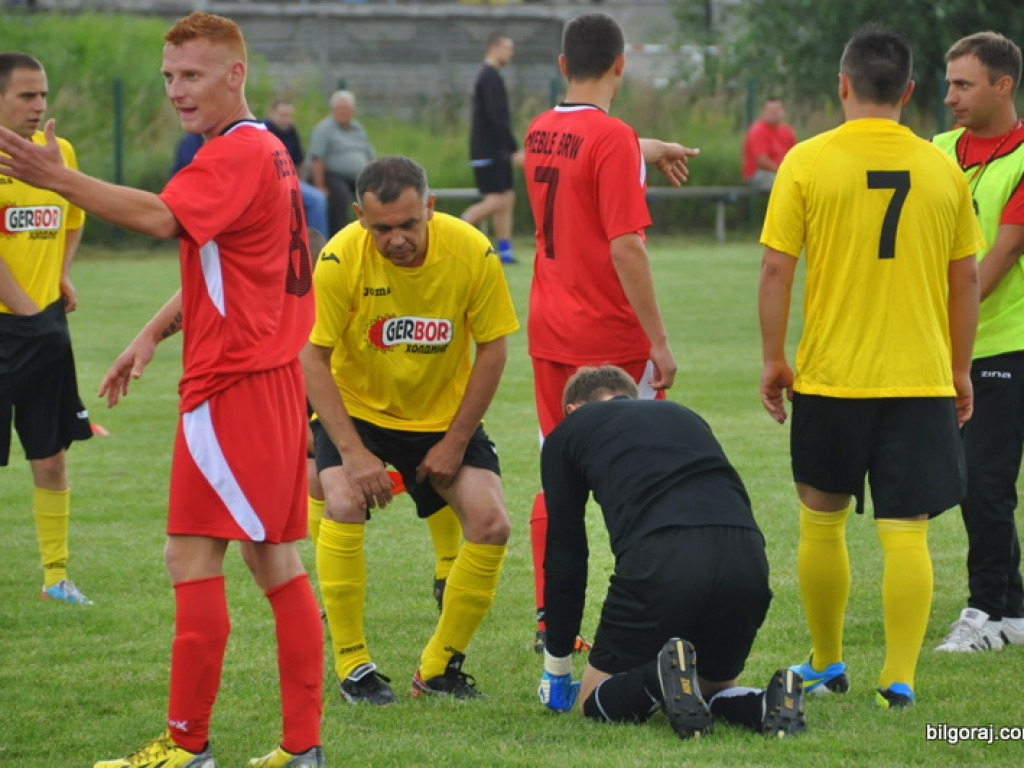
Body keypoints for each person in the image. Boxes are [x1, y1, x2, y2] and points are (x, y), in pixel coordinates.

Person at [0, 12, 326, 767]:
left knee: (193, 559)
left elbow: (159, 217)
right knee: (272, 562)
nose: (177, 90)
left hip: (233, 387)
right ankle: (301, 748)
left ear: (236, 75)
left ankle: (187, 747)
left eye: (193, 75)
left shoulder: (233, 153)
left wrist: (58, 177)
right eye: (169, 77)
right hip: (269, 381)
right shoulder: (267, 149)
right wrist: (150, 334)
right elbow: (224, 265)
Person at [758, 23, 983, 709]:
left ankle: (827, 663)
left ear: (843, 85)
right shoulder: (943, 167)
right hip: (919, 376)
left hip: (833, 375)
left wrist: (773, 358)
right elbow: (967, 279)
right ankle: (898, 678)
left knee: (822, 522)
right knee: (907, 531)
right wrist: (960, 370)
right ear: (910, 91)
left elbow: (776, 269)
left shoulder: (806, 161)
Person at [301, 154, 518, 704]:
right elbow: (312, 359)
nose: (397, 239)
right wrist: (353, 453)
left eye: (408, 224)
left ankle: (439, 668)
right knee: (342, 501)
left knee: (492, 523)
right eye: (382, 229)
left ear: (431, 207)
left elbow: (493, 350)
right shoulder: (339, 258)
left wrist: (455, 440)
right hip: (360, 414)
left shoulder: (472, 250)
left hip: (443, 419)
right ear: (360, 216)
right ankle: (353, 665)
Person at [523, 11, 698, 654]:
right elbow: (627, 245)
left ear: (563, 65)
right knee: (643, 476)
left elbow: (589, 149)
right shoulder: (613, 137)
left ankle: (551, 616)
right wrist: (659, 341)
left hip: (550, 330)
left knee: (557, 472)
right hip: (610, 338)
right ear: (621, 64)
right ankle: (647, 610)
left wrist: (646, 149)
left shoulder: (540, 128)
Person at [537, 365, 806, 740]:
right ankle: (765, 703)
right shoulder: (683, 414)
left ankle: (656, 679)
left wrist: (557, 667)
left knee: (591, 699)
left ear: (572, 409)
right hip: (745, 557)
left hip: (662, 556)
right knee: (713, 687)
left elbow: (565, 556)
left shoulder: (568, 432)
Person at [933, 32, 1024, 653]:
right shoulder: (938, 151)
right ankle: (1009, 609)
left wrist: (940, 324)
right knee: (974, 482)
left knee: (986, 482)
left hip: (1003, 345)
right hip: (952, 346)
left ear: (1003, 85)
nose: (950, 97)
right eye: (948, 84)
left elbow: (1004, 252)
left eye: (963, 84)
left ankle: (989, 611)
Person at [0, 51, 93, 606]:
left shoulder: (58, 153)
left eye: (43, 94)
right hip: (15, 325)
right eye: (26, 95)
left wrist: (59, 275)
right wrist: (29, 313)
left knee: (51, 454)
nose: (39, 105)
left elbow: (74, 215)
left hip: (42, 324)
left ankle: (56, 577)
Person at [461, 32, 521, 265]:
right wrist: (513, 147)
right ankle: (459, 226)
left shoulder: (493, 76)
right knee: (497, 199)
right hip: (488, 151)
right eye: (508, 48)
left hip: (497, 150)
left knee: (508, 196)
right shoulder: (488, 77)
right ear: (493, 47)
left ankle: (505, 250)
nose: (511, 53)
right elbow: (497, 117)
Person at [309, 89, 375, 236]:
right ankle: (340, 235)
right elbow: (317, 158)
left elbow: (370, 155)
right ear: (332, 110)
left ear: (353, 111)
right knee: (340, 195)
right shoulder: (324, 128)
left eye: (347, 109)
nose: (343, 112)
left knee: (376, 191)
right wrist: (320, 187)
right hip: (332, 174)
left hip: (359, 175)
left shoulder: (358, 128)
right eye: (340, 108)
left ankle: (370, 232)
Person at [264, 98, 329, 238]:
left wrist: (299, 181)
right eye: (282, 115)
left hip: (290, 180)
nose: (286, 119)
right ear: (271, 114)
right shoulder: (263, 132)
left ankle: (318, 242)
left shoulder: (292, 131)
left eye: (289, 116)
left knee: (318, 198)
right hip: (269, 182)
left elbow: (300, 162)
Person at [742, 96, 797, 190]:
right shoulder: (758, 130)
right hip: (760, 173)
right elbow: (762, 161)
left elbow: (795, 154)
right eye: (770, 111)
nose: (774, 113)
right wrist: (783, 171)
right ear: (763, 112)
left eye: (777, 110)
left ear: (783, 112)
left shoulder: (787, 130)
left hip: (783, 172)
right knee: (783, 183)